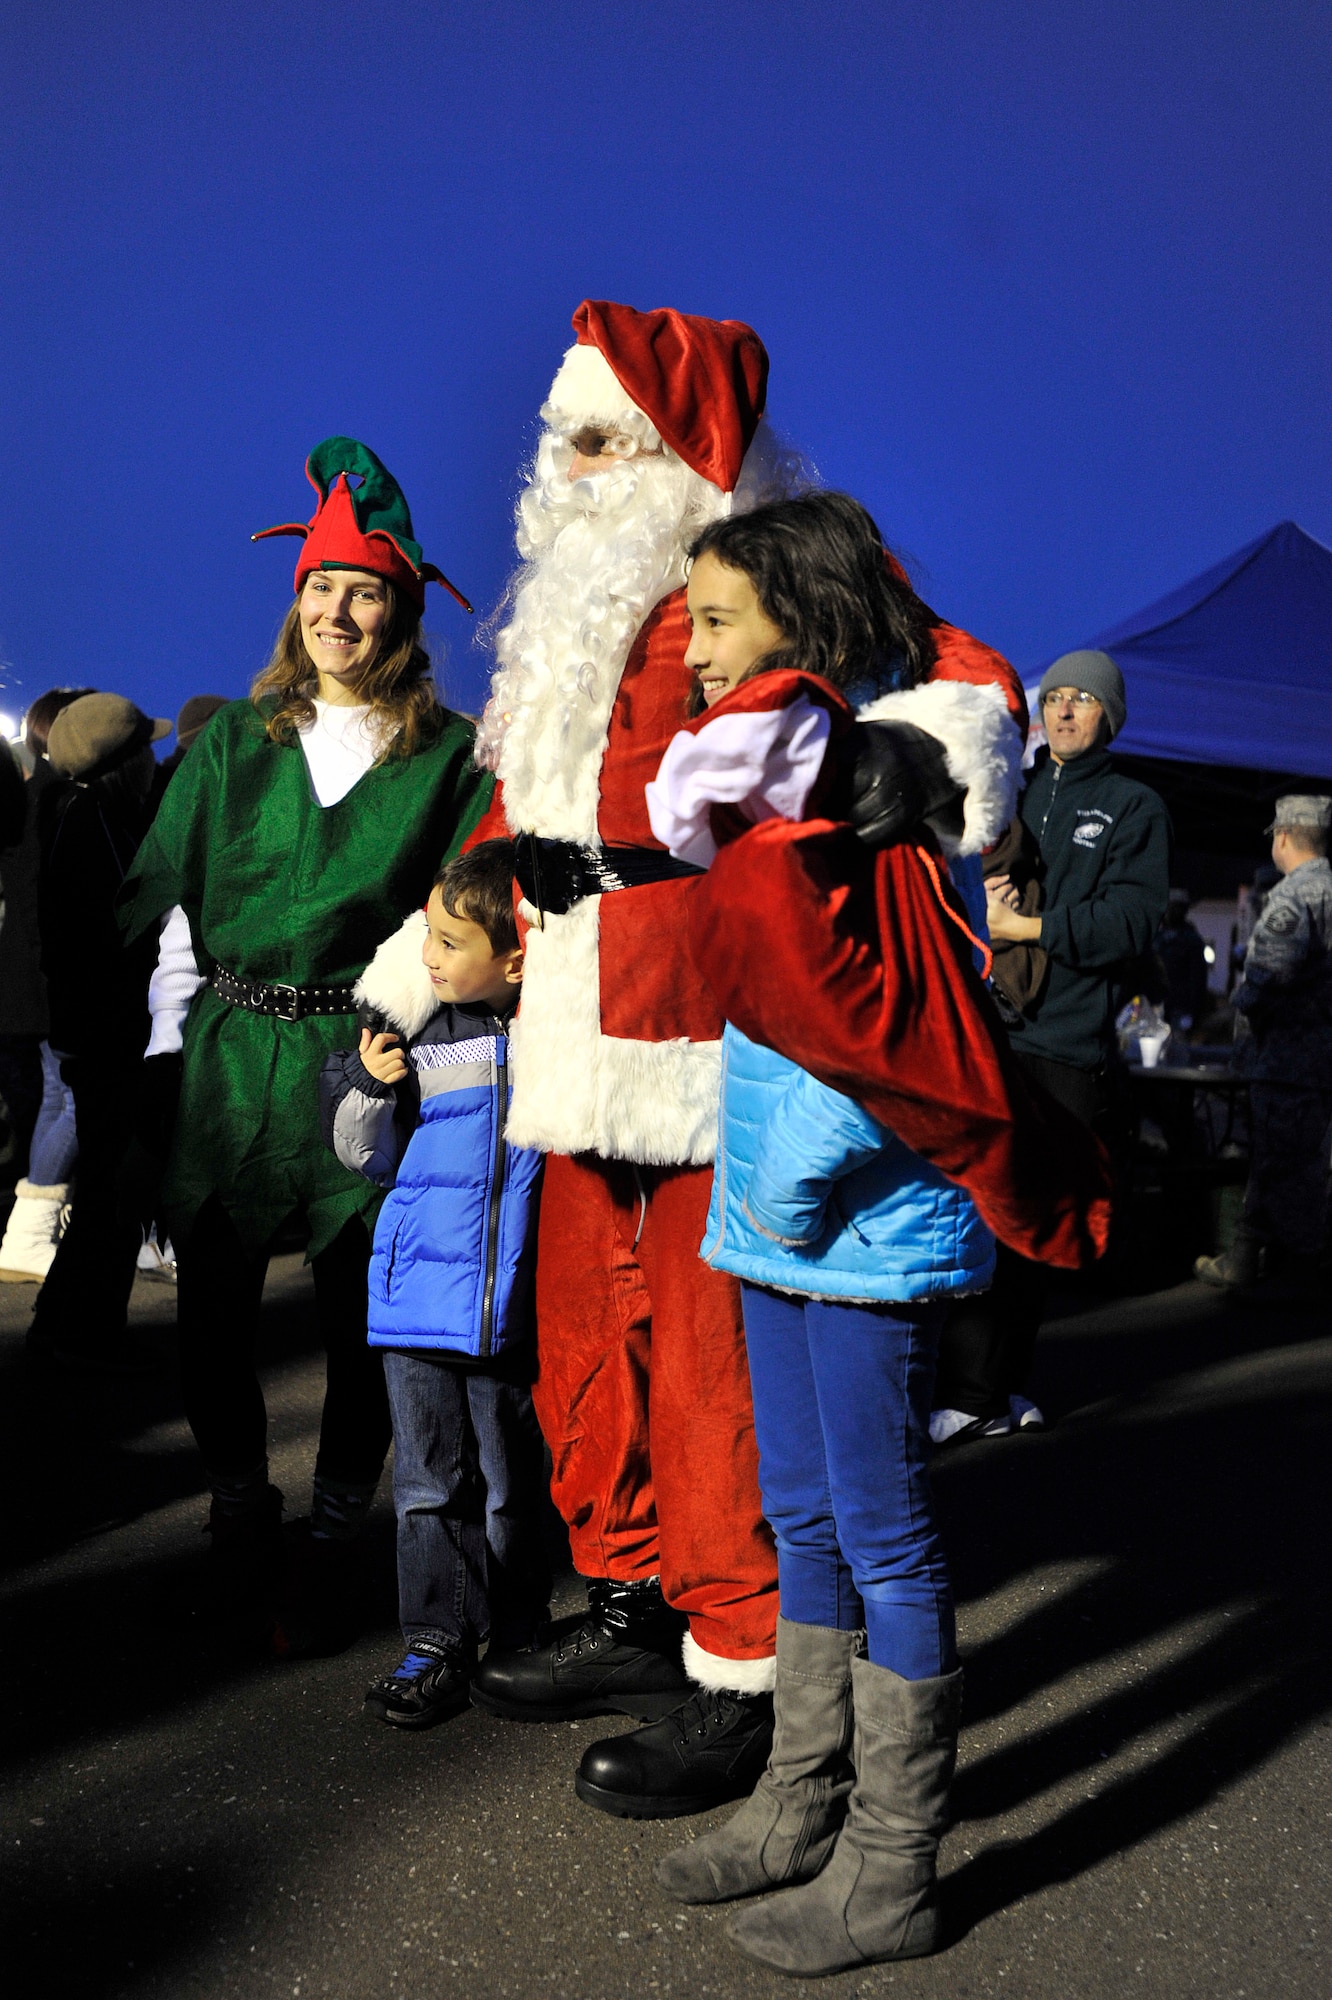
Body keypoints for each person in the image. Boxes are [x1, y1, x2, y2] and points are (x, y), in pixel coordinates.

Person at [464, 303, 1027, 1820]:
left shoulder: (772, 562)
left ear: (674, 460)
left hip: (710, 1021)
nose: (565, 474)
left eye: (594, 445)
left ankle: (744, 1665)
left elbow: (963, 681)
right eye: (558, 448)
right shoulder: (567, 610)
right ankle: (636, 1601)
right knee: (584, 1341)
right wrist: (472, 883)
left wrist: (906, 759)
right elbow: (528, 784)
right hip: (575, 1018)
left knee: (718, 1372)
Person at [642, 491, 1031, 1975]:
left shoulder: (891, 802)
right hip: (776, 1224)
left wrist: (791, 1187)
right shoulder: (785, 797)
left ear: (806, 624)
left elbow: (913, 1042)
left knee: (886, 1532)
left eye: (720, 621)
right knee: (800, 1513)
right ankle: (802, 1799)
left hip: (857, 1229)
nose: (694, 651)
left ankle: (893, 1867)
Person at [119, 437, 491, 1646]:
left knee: (357, 1313)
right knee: (215, 1308)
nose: (338, 609)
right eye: (323, 585)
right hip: (231, 1049)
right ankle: (240, 1502)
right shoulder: (233, 740)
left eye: (364, 589)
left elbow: (465, 910)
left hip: (361, 1052)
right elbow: (170, 903)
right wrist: (165, 1053)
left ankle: (339, 1519)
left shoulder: (446, 752)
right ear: (300, 598)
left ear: (400, 609)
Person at [318, 839, 549, 1726]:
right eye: (430, 937)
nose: (430, 956)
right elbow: (361, 1161)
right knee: (425, 1485)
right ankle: (437, 1638)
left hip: (508, 1310)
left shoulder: (553, 1037)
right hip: (415, 1300)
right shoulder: (406, 1038)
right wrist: (369, 1093)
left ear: (515, 956)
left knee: (512, 1482)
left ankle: (522, 1632)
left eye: (453, 943)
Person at [932, 648, 1170, 1443]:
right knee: (975, 1207)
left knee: (1035, 1218)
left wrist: (1026, 926)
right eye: (1056, 697)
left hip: (1067, 1042)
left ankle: (1000, 1387)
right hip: (988, 1027)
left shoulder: (1134, 807)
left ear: (1110, 716)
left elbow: (1134, 925)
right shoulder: (1013, 790)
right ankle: (968, 1388)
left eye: (1084, 700)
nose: (1065, 711)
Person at [26, 695, 173, 1369]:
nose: (153, 758)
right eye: (145, 748)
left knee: (104, 1190)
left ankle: (64, 1322)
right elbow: (125, 932)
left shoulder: (70, 813)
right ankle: (83, 1335)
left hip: (88, 1032)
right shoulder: (96, 823)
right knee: (113, 1192)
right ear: (123, 762)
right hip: (108, 1035)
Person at [1195, 794, 1332, 1289]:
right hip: (1319, 1058)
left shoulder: (1295, 895)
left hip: (1286, 1059)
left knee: (1283, 1165)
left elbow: (1268, 976)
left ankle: (1289, 1272)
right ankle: (1249, 1256)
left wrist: (1243, 1002)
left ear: (1284, 837)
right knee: (1304, 1161)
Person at [0, 689, 95, 1281]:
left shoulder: (35, 799)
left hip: (38, 986)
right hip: (51, 987)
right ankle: (28, 1232)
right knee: (73, 1099)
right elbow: (44, 910)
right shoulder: (54, 805)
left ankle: (31, 1231)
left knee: (61, 1098)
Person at [1156, 886, 1210, 1034]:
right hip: (1157, 1006)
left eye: (1176, 908)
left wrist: (1193, 1011)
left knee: (1178, 1048)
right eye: (1169, 908)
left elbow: (1198, 978)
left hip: (1180, 1007)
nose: (1171, 912)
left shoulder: (1191, 940)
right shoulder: (1157, 939)